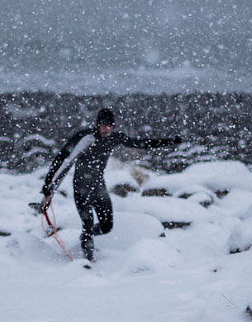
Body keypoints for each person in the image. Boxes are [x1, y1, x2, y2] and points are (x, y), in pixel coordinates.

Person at [40, 107, 181, 261]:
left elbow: (141, 143)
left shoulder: (115, 138)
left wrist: (169, 141)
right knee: (87, 223)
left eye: (110, 126)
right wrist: (48, 187)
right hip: (81, 187)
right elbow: (62, 160)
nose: (107, 129)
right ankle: (88, 262)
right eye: (104, 125)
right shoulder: (85, 137)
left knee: (107, 226)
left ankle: (85, 238)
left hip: (99, 186)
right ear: (98, 124)